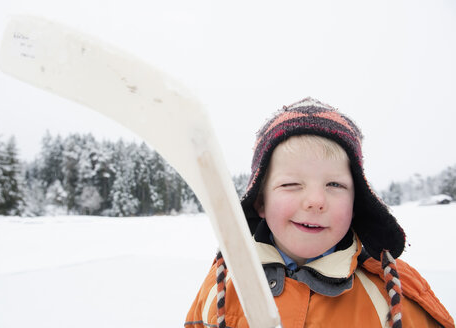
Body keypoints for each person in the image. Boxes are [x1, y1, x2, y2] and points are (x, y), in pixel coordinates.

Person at [185, 98, 454, 328]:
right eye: (291, 184)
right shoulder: (223, 285)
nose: (315, 201)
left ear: (357, 201)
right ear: (260, 202)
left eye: (334, 184)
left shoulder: (393, 293)